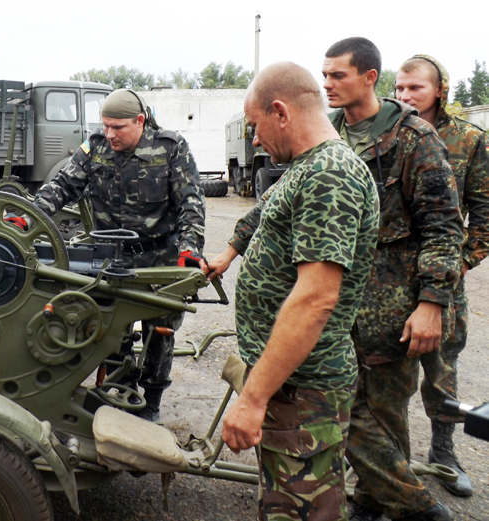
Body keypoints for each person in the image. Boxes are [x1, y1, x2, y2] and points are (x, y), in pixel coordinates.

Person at [207, 61, 379, 521]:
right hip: (292, 386)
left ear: (280, 112)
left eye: (254, 126)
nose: (254, 139)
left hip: (305, 392)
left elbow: (315, 299)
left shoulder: (330, 175)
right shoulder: (309, 167)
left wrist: (253, 399)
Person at [322, 38, 462, 521]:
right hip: (333, 300)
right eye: (324, 75)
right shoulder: (327, 134)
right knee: (340, 409)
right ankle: (389, 502)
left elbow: (444, 227)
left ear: (369, 77)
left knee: (383, 414)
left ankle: (376, 504)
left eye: (338, 75)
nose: (327, 84)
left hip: (391, 306)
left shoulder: (414, 137)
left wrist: (432, 303)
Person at [32, 88, 206, 423]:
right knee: (112, 332)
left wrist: (189, 250)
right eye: (106, 126)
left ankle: (151, 401)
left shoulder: (170, 148)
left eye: (118, 127)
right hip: (111, 259)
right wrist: (28, 215)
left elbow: (190, 203)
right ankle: (116, 395)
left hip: (160, 260)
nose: (109, 134)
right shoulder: (95, 146)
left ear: (140, 122)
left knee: (160, 333)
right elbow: (63, 186)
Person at [396, 54, 489, 497]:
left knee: (441, 367)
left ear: (440, 91)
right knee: (381, 371)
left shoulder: (469, 140)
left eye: (414, 88)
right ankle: (388, 464)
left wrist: (458, 265)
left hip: (442, 280)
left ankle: (443, 451)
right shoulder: (387, 133)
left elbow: (485, 218)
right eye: (399, 87)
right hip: (386, 279)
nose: (404, 95)